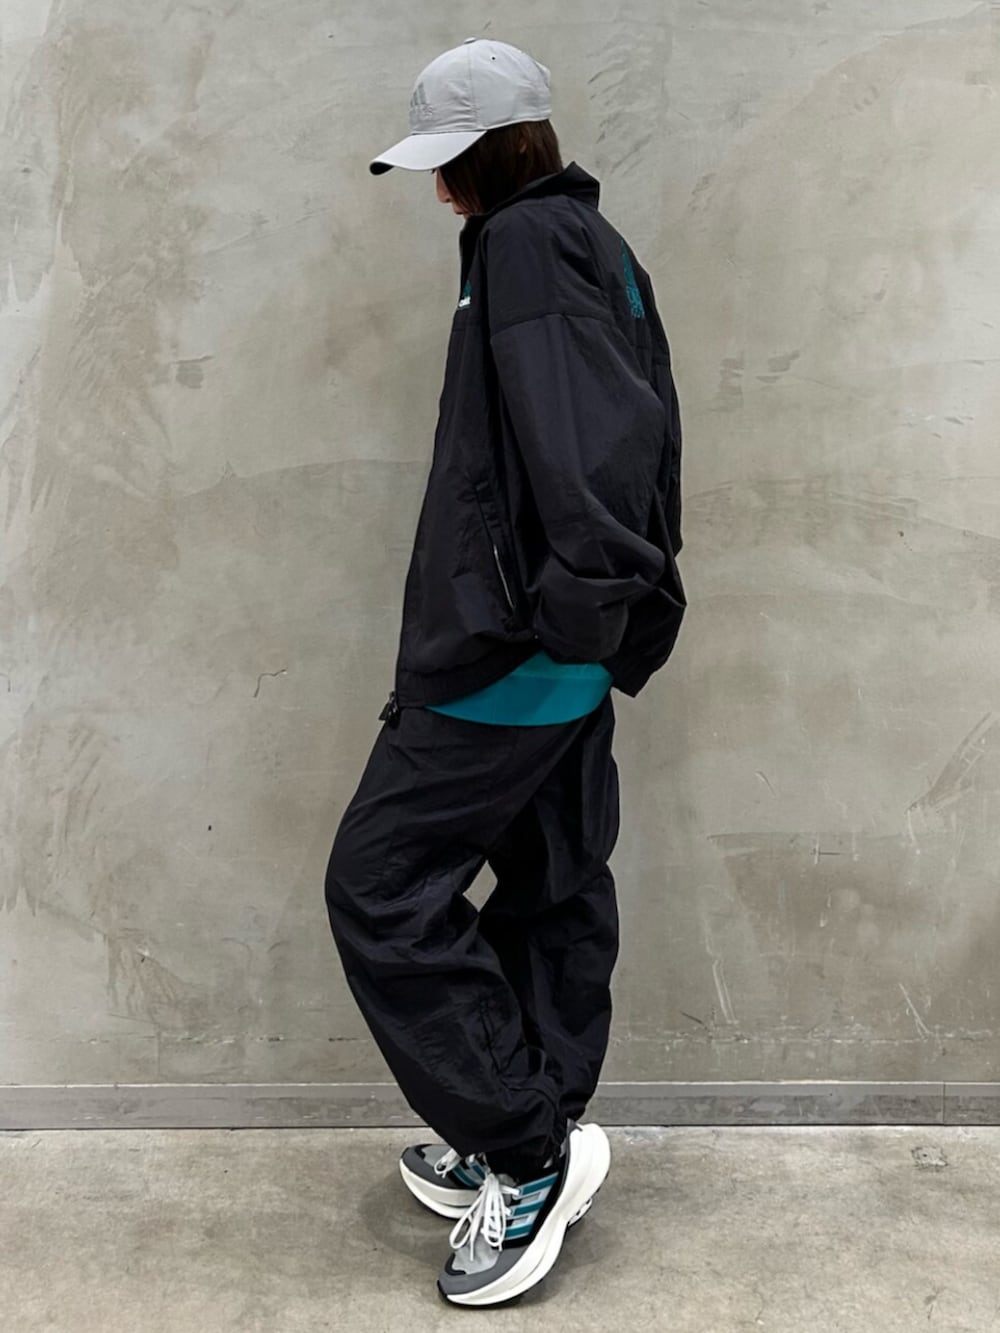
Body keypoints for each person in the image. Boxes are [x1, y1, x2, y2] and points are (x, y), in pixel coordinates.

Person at [324, 37, 685, 1307]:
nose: (436, 187)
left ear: (499, 151)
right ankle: (533, 1121)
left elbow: (596, 449)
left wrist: (560, 615)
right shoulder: (577, 241)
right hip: (555, 655)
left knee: (380, 887)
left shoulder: (529, 244)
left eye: (449, 161)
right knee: (548, 887)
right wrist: (584, 625)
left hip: (512, 656)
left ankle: (526, 1153)